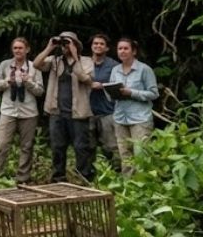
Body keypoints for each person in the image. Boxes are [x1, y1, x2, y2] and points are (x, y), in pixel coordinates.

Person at [34, 31, 94, 183]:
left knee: (81, 147)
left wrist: (74, 56)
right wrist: (50, 47)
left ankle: (83, 178)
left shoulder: (86, 61)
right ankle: (58, 178)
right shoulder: (55, 61)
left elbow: (85, 79)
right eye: (63, 44)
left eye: (67, 43)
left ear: (76, 45)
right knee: (57, 147)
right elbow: (36, 64)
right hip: (57, 112)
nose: (64, 46)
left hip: (78, 112)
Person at [0, 37, 45, 183]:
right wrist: (7, 81)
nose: (17, 50)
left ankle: (23, 178)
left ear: (27, 50)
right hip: (8, 110)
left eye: (20, 48)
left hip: (28, 112)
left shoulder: (34, 66)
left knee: (27, 146)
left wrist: (28, 82)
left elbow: (40, 91)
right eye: (15, 48)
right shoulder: (5, 65)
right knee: (2, 144)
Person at [109, 37, 159, 173]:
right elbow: (112, 90)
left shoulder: (144, 69)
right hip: (120, 117)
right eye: (120, 48)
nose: (122, 51)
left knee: (141, 154)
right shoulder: (115, 70)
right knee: (125, 155)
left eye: (126, 48)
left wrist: (131, 92)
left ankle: (144, 182)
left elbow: (154, 93)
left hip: (140, 118)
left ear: (134, 51)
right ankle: (127, 183)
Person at [86, 33, 121, 172]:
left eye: (101, 44)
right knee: (88, 147)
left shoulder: (114, 65)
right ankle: (89, 176)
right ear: (91, 46)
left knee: (111, 147)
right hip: (87, 111)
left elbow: (119, 86)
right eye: (95, 43)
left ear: (107, 48)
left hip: (108, 111)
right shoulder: (84, 63)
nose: (98, 46)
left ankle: (114, 174)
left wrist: (104, 86)